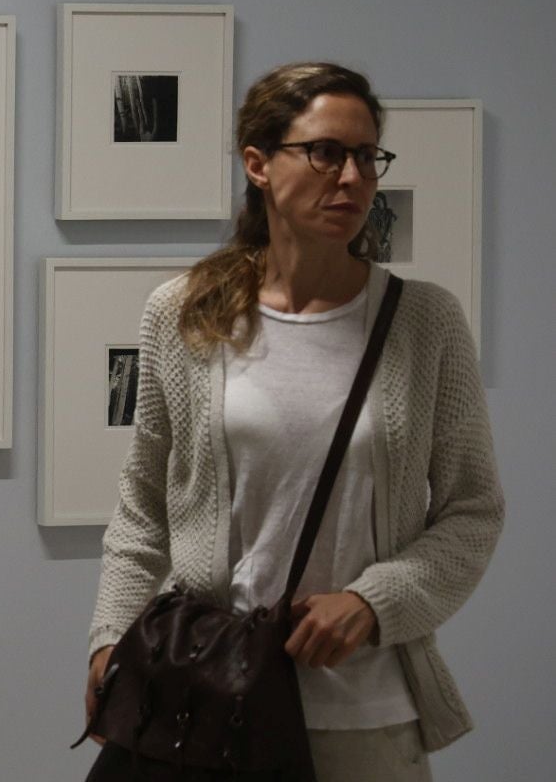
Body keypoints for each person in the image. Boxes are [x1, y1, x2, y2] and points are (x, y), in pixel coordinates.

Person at [84, 63, 503, 781]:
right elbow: (144, 505)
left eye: (367, 157)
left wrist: (375, 602)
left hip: (364, 719)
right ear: (258, 164)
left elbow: (473, 512)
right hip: (206, 701)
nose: (351, 178)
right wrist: (110, 640)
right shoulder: (184, 314)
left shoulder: (425, 322)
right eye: (326, 153)